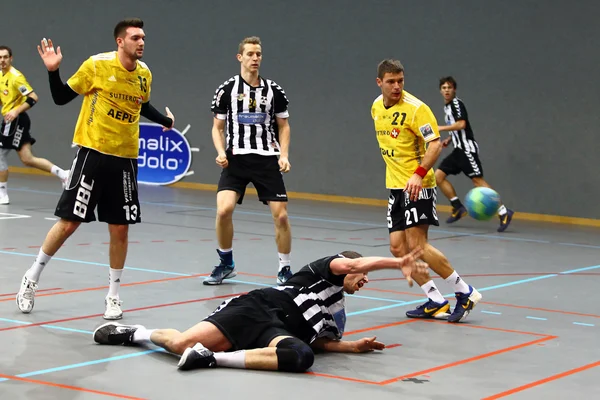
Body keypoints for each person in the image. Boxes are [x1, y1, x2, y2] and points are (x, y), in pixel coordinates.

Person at [15, 18, 174, 320]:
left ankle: (113, 296)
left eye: (144, 38)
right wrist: (53, 71)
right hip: (92, 153)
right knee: (69, 223)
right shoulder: (96, 65)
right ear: (120, 41)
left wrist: (165, 121)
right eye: (136, 37)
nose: (142, 42)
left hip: (125, 159)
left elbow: (140, 106)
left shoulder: (144, 74)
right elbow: (61, 97)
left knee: (120, 229)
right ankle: (31, 278)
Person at [93, 248, 427, 372]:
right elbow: (354, 262)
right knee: (181, 344)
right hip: (256, 307)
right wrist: (396, 262)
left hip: (276, 332)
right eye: (361, 274)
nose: (364, 278)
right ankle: (136, 333)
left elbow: (318, 344)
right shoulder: (321, 270)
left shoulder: (336, 313)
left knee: (301, 357)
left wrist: (352, 347)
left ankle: (211, 359)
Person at [371, 59, 482, 323]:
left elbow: (434, 145)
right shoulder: (376, 107)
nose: (397, 86)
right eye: (391, 82)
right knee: (399, 249)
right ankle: (435, 299)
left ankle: (464, 291)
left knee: (418, 246)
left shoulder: (417, 108)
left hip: (418, 185)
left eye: (400, 81)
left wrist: (418, 175)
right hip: (395, 186)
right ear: (379, 83)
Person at [207, 36, 293, 286]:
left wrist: (284, 155)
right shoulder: (226, 90)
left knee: (282, 217)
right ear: (240, 57)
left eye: (259, 54)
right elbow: (217, 127)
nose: (255, 58)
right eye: (251, 54)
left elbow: (284, 126)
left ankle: (285, 268)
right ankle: (226, 263)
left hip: (267, 159)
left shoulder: (274, 91)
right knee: (223, 210)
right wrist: (221, 151)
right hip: (236, 160)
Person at [436, 76, 514, 232]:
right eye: (444, 88)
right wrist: (449, 139)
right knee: (437, 176)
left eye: (449, 88)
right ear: (440, 90)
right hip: (458, 150)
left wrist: (440, 128)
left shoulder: (457, 104)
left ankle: (503, 211)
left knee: (477, 181)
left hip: (467, 150)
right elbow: (458, 128)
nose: (446, 91)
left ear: (454, 90)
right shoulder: (447, 107)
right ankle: (457, 206)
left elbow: (461, 124)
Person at [0, 45, 69, 205]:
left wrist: (16, 111)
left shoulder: (16, 77)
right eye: (0, 57)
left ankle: (2, 193)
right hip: (9, 120)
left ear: (11, 58)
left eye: (5, 57)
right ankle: (63, 174)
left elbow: (33, 97)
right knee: (27, 159)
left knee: (0, 154)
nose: (2, 60)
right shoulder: (1, 76)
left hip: (16, 120)